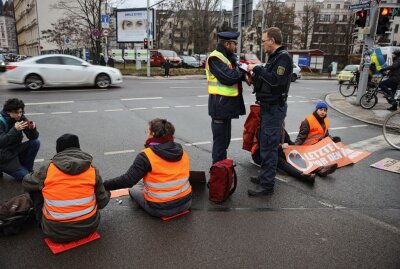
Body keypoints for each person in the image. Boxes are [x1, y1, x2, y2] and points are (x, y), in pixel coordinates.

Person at [22, 134, 110, 243]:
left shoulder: (48, 168)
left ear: (58, 151)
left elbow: (26, 183)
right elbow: (102, 202)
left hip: (55, 232)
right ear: (78, 148)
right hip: (89, 227)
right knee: (98, 190)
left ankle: (42, 219)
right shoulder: (92, 169)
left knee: (35, 188)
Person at [103, 118, 192, 218]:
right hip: (186, 202)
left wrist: (104, 185)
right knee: (143, 180)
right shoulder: (182, 151)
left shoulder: (147, 155)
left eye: (148, 131)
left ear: (153, 134)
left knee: (133, 188)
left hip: (161, 208)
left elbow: (127, 181)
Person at [246, 27, 293, 196]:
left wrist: (257, 68)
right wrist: (253, 78)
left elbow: (275, 82)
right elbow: (267, 80)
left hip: (274, 109)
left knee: (269, 147)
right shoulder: (275, 57)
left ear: (272, 41)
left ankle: (267, 185)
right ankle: (265, 176)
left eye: (264, 40)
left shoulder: (284, 58)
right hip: (268, 108)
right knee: (265, 144)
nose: (263, 43)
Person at [206, 31, 248, 164]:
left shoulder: (229, 57)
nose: (236, 47)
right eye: (234, 44)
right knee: (220, 142)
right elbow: (229, 77)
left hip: (226, 107)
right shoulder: (215, 58)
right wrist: (239, 71)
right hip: (219, 106)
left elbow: (234, 74)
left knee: (225, 140)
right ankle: (218, 172)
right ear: (227, 43)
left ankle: (222, 167)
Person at [294, 101, 339, 176]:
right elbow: (301, 137)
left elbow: (326, 134)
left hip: (318, 145)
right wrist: (295, 148)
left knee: (336, 142)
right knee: (310, 160)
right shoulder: (308, 121)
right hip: (307, 147)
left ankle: (328, 164)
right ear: (316, 110)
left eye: (325, 110)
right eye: (320, 109)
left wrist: (330, 139)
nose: (323, 112)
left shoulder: (326, 121)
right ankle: (320, 170)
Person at [0, 98, 40, 181]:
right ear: (8, 112)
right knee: (24, 177)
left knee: (35, 142)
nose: (19, 115)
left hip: (15, 150)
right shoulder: (1, 121)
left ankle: (28, 169)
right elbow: (1, 142)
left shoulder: (20, 118)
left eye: (21, 112)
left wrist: (32, 129)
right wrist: (15, 130)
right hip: (3, 156)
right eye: (16, 112)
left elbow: (33, 137)